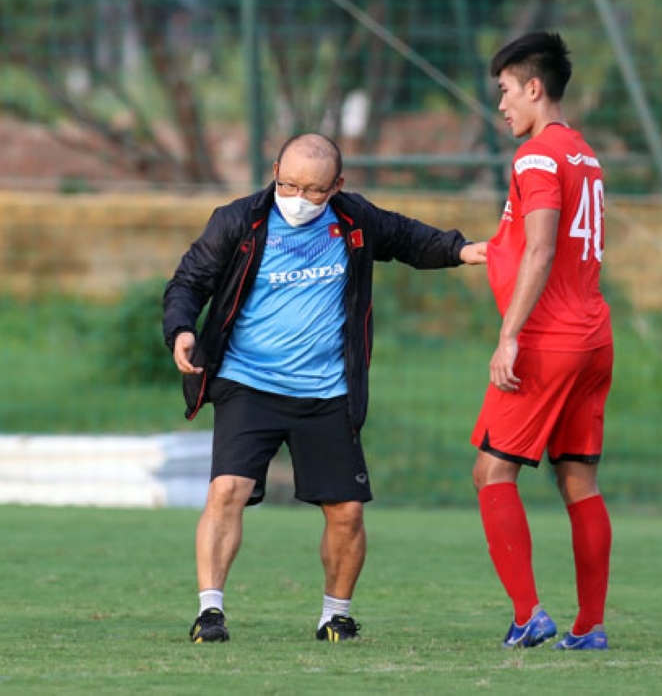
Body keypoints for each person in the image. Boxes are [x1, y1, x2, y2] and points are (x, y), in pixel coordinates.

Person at [163, 132, 487, 644]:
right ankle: (210, 612)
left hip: (327, 390)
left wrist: (462, 250)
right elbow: (189, 281)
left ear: (337, 185)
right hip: (248, 382)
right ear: (273, 170)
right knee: (226, 490)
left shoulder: (354, 220)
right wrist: (181, 328)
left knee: (348, 511)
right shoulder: (238, 221)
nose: (297, 198)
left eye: (313, 190)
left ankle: (335, 615)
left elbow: (407, 238)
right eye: (287, 184)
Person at [470, 32, 613, 651]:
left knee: (491, 472)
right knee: (577, 478)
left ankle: (528, 614)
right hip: (594, 337)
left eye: (504, 92)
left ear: (534, 87)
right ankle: (590, 627)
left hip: (548, 342)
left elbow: (542, 246)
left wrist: (509, 336)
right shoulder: (584, 153)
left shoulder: (535, 157)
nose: (501, 106)